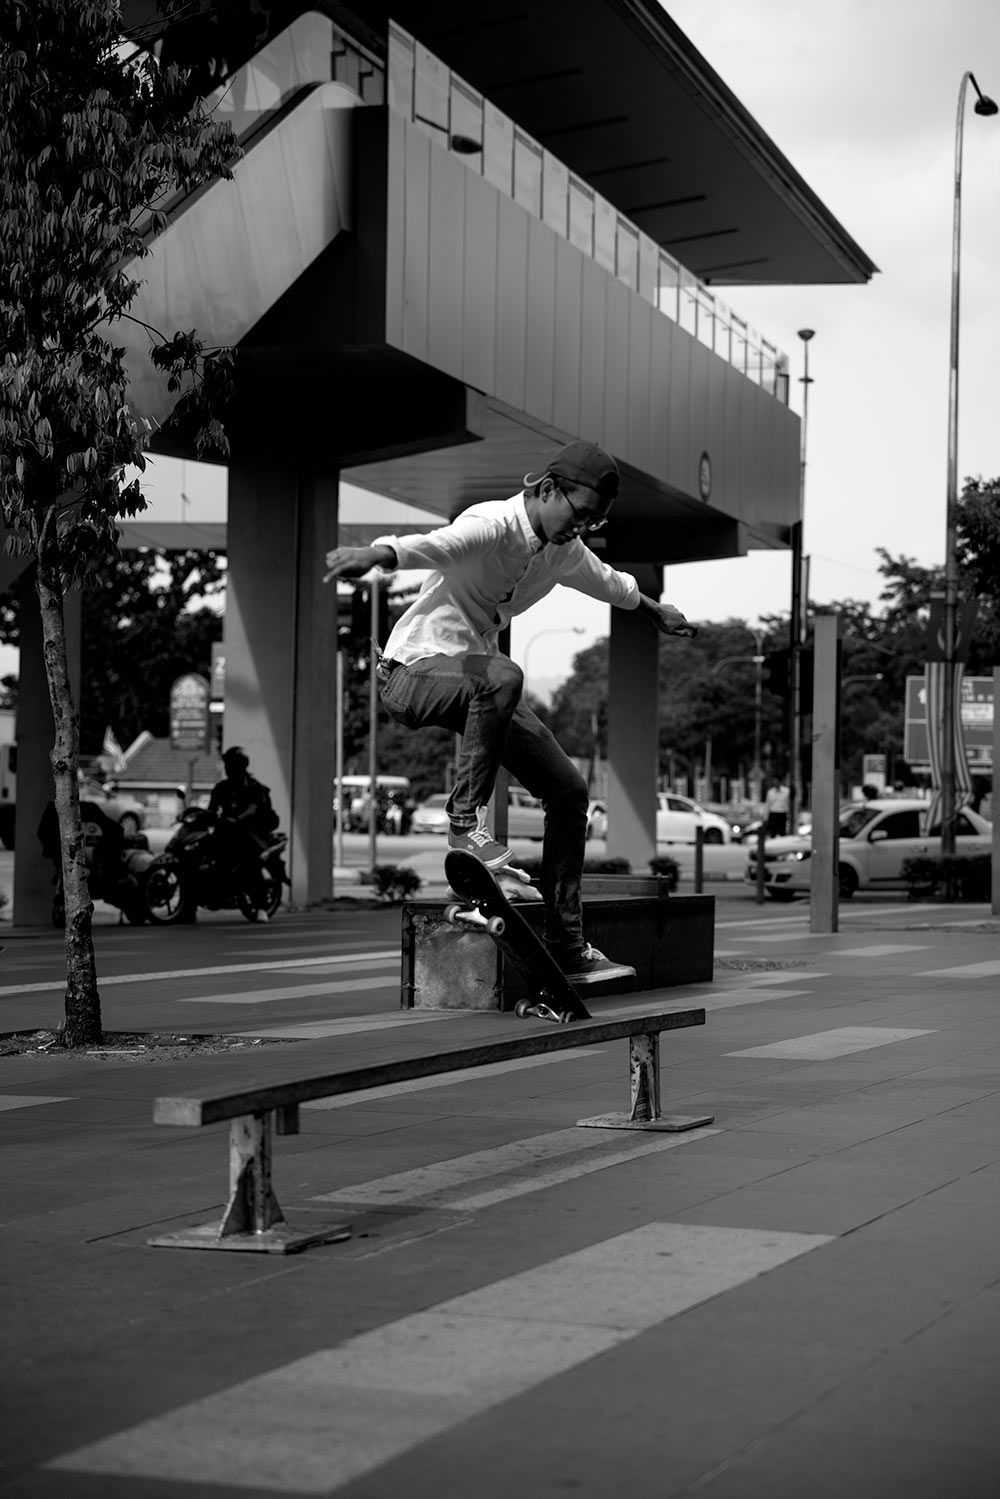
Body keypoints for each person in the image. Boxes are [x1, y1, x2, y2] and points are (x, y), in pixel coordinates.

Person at [323, 439, 696, 984]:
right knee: (504, 677)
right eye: (579, 514)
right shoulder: (493, 523)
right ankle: (463, 826)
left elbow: (607, 580)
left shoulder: (564, 549)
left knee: (569, 792)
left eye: (593, 521)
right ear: (547, 490)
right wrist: (381, 555)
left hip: (477, 682)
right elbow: (441, 544)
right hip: (410, 674)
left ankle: (567, 942)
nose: (581, 528)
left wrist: (654, 609)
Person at [208, 747, 280, 910]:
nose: (227, 769)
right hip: (225, 830)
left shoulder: (253, 787)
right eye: (226, 765)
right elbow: (211, 809)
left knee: (250, 862)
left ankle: (261, 906)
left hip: (250, 832)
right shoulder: (222, 788)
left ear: (240, 767)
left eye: (231, 766)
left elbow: (252, 809)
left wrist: (238, 818)